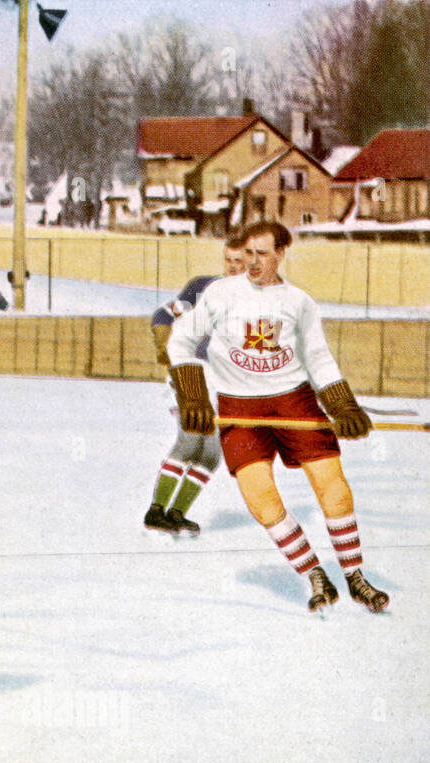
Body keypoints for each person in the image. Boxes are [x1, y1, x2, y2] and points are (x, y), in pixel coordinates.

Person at [167, 220, 388, 614]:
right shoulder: (221, 293)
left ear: (282, 253)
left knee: (333, 488)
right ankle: (314, 575)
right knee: (260, 499)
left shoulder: (299, 302)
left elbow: (317, 358)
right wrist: (193, 396)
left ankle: (355, 576)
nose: (252, 263)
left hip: (294, 401)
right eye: (248, 254)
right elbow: (180, 339)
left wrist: (343, 407)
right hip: (239, 405)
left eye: (262, 254)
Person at [144, 231, 247, 535]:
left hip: (222, 381)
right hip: (191, 372)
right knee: (189, 442)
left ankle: (175, 514)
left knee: (211, 454)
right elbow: (163, 313)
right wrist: (164, 343)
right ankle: (155, 512)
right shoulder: (203, 288)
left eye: (239, 261)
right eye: (228, 260)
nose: (232, 267)